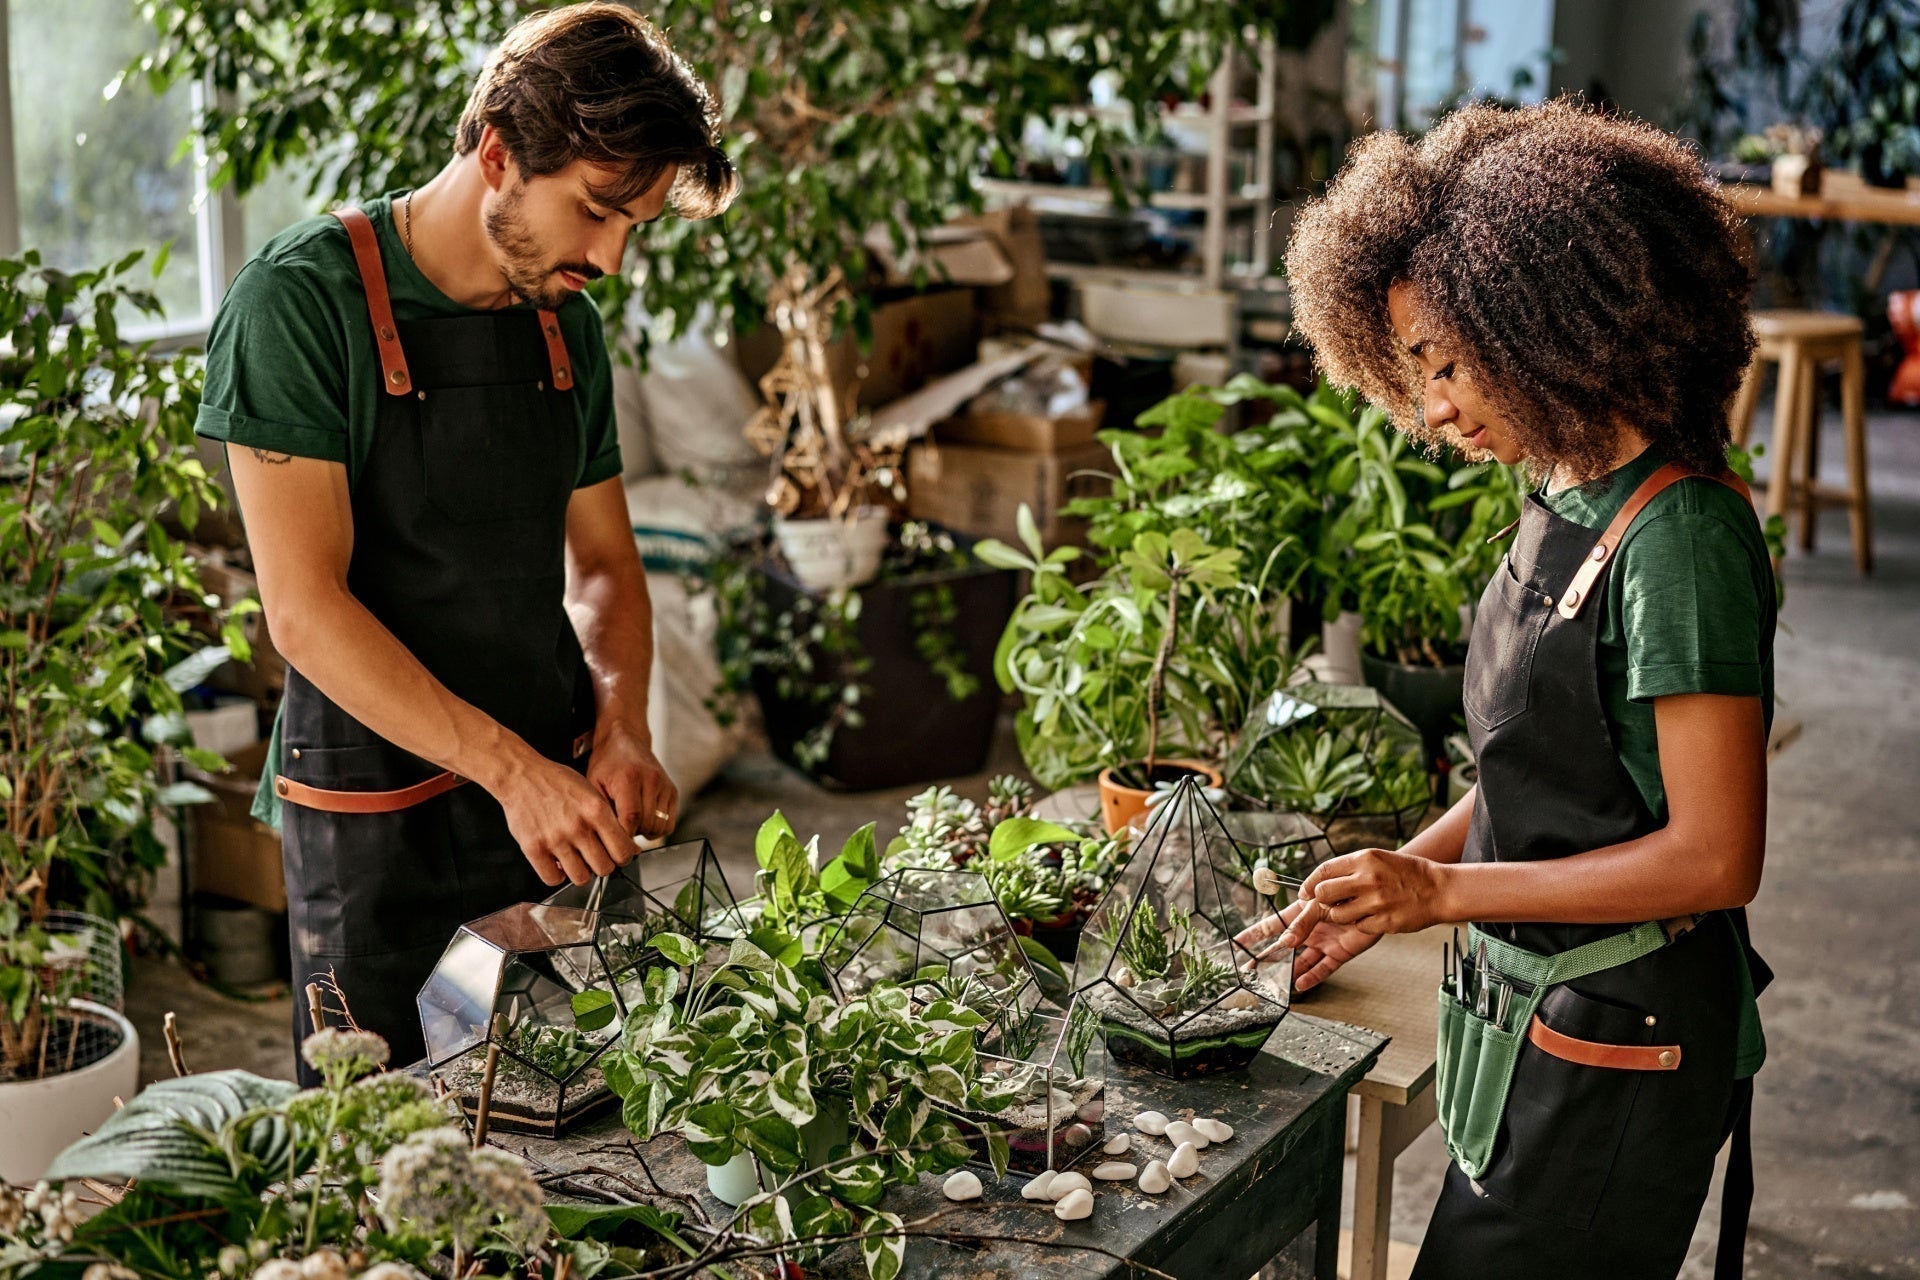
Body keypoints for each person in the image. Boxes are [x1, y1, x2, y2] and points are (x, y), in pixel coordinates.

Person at [1243, 100, 1774, 1279]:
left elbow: (1717, 856)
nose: (1430, 409)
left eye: (1444, 361)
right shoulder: (1566, 487)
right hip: (1533, 1013)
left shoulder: (1678, 538)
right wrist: (1386, 885)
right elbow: (1543, 775)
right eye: (1412, 369)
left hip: (1626, 1036)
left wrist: (1441, 890)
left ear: (1542, 317)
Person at [195, 4, 738, 1082]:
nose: (610, 257)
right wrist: (509, 771)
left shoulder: (566, 324)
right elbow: (304, 611)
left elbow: (604, 567)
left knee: (570, 1106)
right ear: (497, 153)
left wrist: (622, 724)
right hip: (372, 823)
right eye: (595, 210)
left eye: (633, 226)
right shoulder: (297, 305)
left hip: (548, 804)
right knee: (384, 1136)